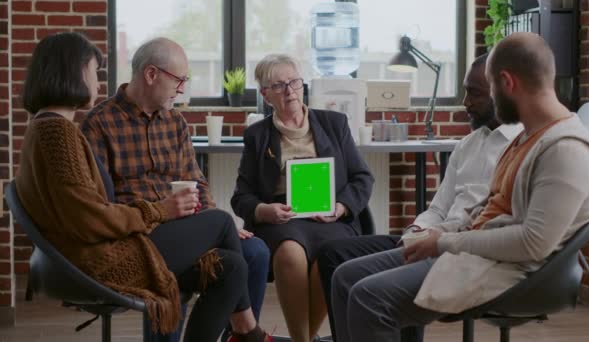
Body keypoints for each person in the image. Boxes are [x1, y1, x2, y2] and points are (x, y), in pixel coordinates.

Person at [330, 32, 589, 342]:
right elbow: (488, 208)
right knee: (346, 277)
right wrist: (435, 233)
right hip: (476, 249)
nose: (470, 102)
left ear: (506, 83)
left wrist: (444, 242)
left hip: (509, 269)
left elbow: (533, 244)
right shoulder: (528, 137)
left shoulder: (565, 150)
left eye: (487, 88)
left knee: (370, 298)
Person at [15, 32, 270, 342]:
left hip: (117, 243)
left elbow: (88, 208)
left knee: (231, 265)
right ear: (72, 72)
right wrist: (160, 210)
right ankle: (247, 331)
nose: (98, 83)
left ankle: (244, 331)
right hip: (106, 256)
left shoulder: (51, 129)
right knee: (222, 222)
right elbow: (88, 218)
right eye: (94, 72)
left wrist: (186, 216)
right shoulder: (60, 134)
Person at [316, 53, 522, 341]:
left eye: (474, 93)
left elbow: (492, 224)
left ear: (501, 90)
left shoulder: (520, 148)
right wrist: (418, 229)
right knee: (337, 262)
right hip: (434, 236)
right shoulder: (467, 144)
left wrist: (436, 236)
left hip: (464, 248)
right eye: (464, 92)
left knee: (365, 289)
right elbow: (438, 207)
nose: (465, 102)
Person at [231, 54, 374, 342]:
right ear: (265, 94)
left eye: (294, 82)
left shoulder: (334, 123)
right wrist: (263, 211)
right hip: (282, 219)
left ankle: (303, 340)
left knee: (329, 257)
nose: (290, 91)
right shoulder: (257, 135)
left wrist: (341, 206)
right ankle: (303, 340)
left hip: (330, 216)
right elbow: (241, 196)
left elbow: (363, 177)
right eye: (279, 85)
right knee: (289, 254)